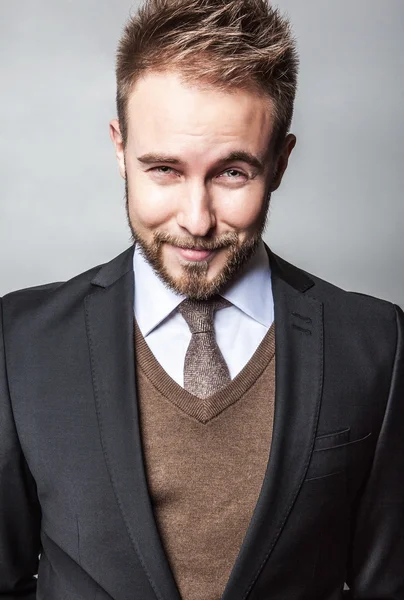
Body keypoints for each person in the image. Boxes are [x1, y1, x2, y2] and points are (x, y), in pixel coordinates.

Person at [0, 0, 403, 598]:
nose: (196, 220)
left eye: (232, 173)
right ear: (119, 149)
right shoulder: (18, 343)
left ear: (281, 162)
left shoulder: (376, 345)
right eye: (163, 169)